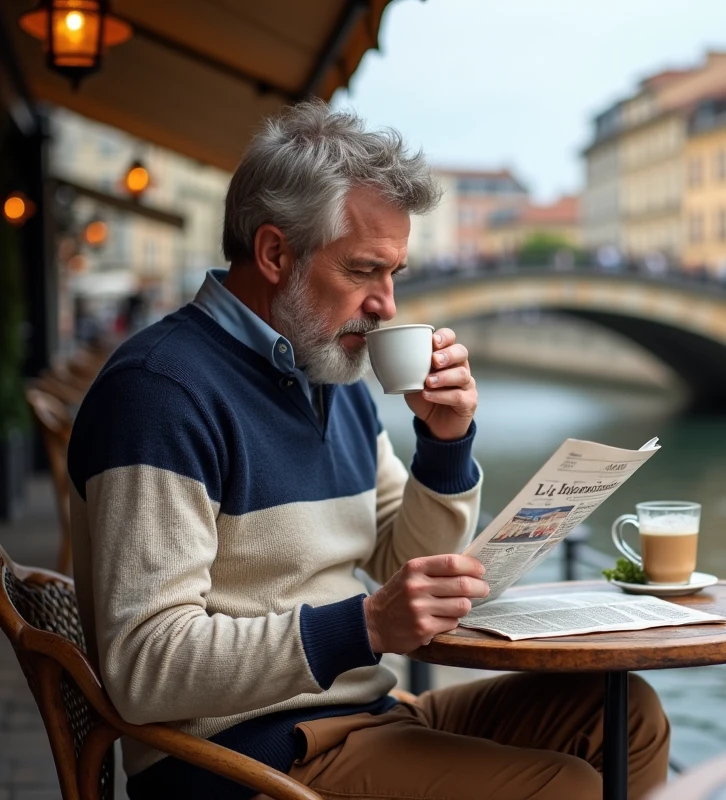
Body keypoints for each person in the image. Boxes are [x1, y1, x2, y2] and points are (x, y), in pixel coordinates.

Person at [67, 101, 669, 800]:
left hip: (362, 716)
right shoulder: (162, 392)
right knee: (559, 786)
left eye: (395, 274)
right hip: (244, 761)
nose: (386, 304)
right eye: (362, 271)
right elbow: (144, 669)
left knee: (626, 719)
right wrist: (365, 625)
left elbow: (401, 562)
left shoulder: (331, 371)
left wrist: (446, 444)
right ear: (273, 253)